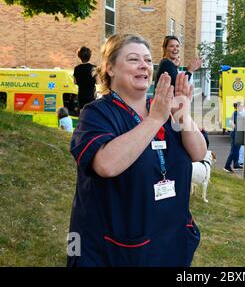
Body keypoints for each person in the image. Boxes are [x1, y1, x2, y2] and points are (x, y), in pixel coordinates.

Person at [67, 34, 207, 267]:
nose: (144, 65)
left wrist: (182, 112)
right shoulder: (96, 113)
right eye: (133, 59)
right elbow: (106, 164)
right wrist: (154, 121)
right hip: (115, 250)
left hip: (170, 241)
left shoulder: (162, 108)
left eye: (147, 60)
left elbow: (198, 153)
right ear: (110, 68)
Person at [73, 46, 96, 112]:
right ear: (90, 56)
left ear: (79, 56)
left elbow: (75, 82)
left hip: (81, 95)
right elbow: (97, 81)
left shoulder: (77, 68)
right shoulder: (93, 68)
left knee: (82, 113)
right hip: (91, 95)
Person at [223, 102, 243, 173]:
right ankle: (227, 166)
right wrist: (237, 128)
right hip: (235, 134)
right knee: (234, 150)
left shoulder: (238, 113)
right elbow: (232, 123)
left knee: (237, 149)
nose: (242, 107)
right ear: (237, 107)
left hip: (238, 133)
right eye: (241, 106)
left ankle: (235, 164)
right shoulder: (236, 114)